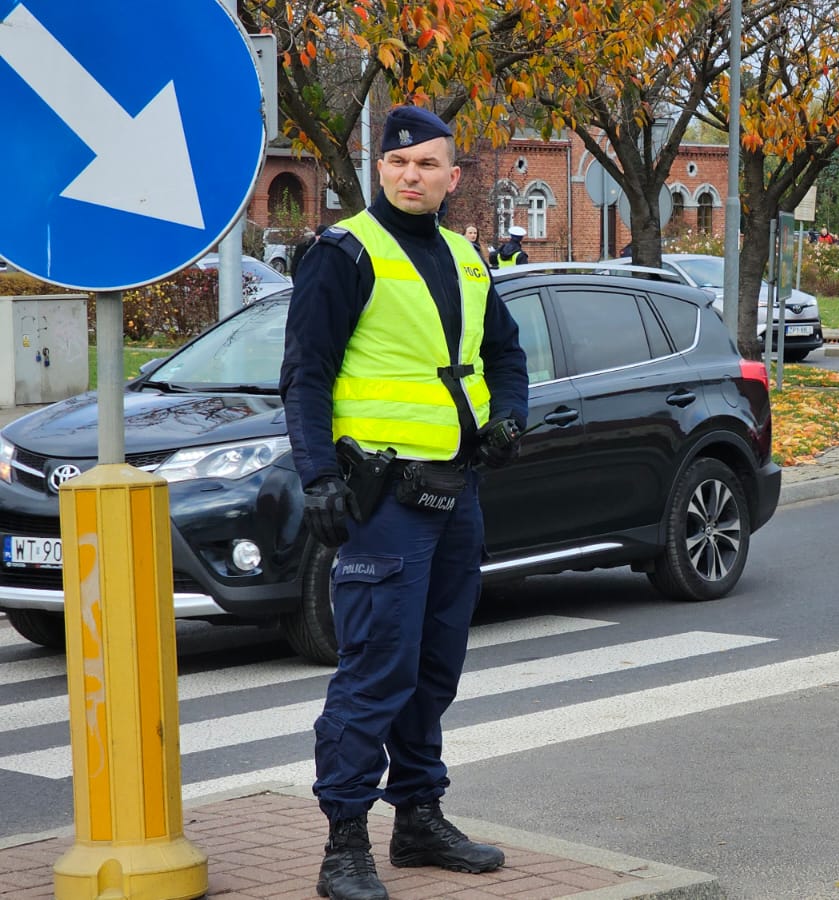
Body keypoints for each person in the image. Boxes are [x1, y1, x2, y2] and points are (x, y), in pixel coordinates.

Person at [280, 105, 530, 900]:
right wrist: (317, 474)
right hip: (383, 498)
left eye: (426, 164)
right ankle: (344, 844)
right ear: (378, 171)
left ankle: (418, 817)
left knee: (434, 667)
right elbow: (305, 375)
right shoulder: (344, 253)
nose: (411, 174)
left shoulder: (465, 257)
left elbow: (506, 352)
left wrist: (509, 418)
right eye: (398, 165)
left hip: (457, 493)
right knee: (375, 671)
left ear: (454, 178)